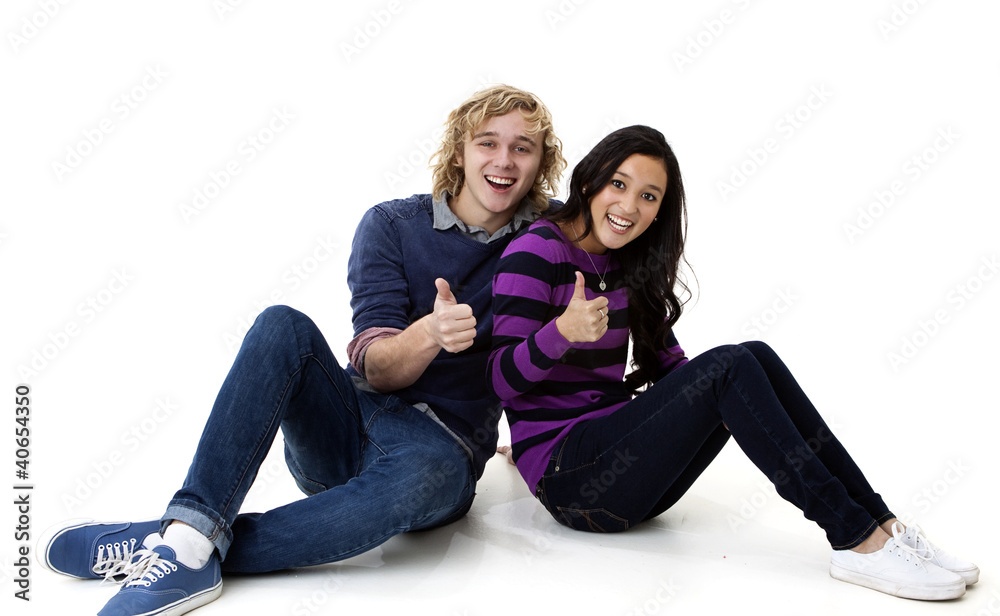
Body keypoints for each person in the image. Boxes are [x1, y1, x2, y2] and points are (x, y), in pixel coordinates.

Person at [38, 84, 566, 616]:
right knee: (281, 326)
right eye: (487, 143)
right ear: (459, 151)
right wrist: (429, 332)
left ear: (541, 160)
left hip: (440, 449)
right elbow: (377, 367)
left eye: (523, 147)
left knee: (426, 473)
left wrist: (541, 437)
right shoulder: (391, 225)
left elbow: (619, 236)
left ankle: (183, 541)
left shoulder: (554, 238)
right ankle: (191, 536)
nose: (504, 161)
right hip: (346, 422)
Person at [488, 125, 979, 601]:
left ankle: (883, 525)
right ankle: (854, 539)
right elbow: (500, 380)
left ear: (660, 211)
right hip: (573, 485)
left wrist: (715, 392)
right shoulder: (535, 252)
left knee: (751, 357)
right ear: (591, 179)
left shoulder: (626, 261)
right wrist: (561, 334)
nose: (629, 206)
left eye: (649, 196)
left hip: (619, 469)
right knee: (729, 369)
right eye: (620, 184)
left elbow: (671, 369)